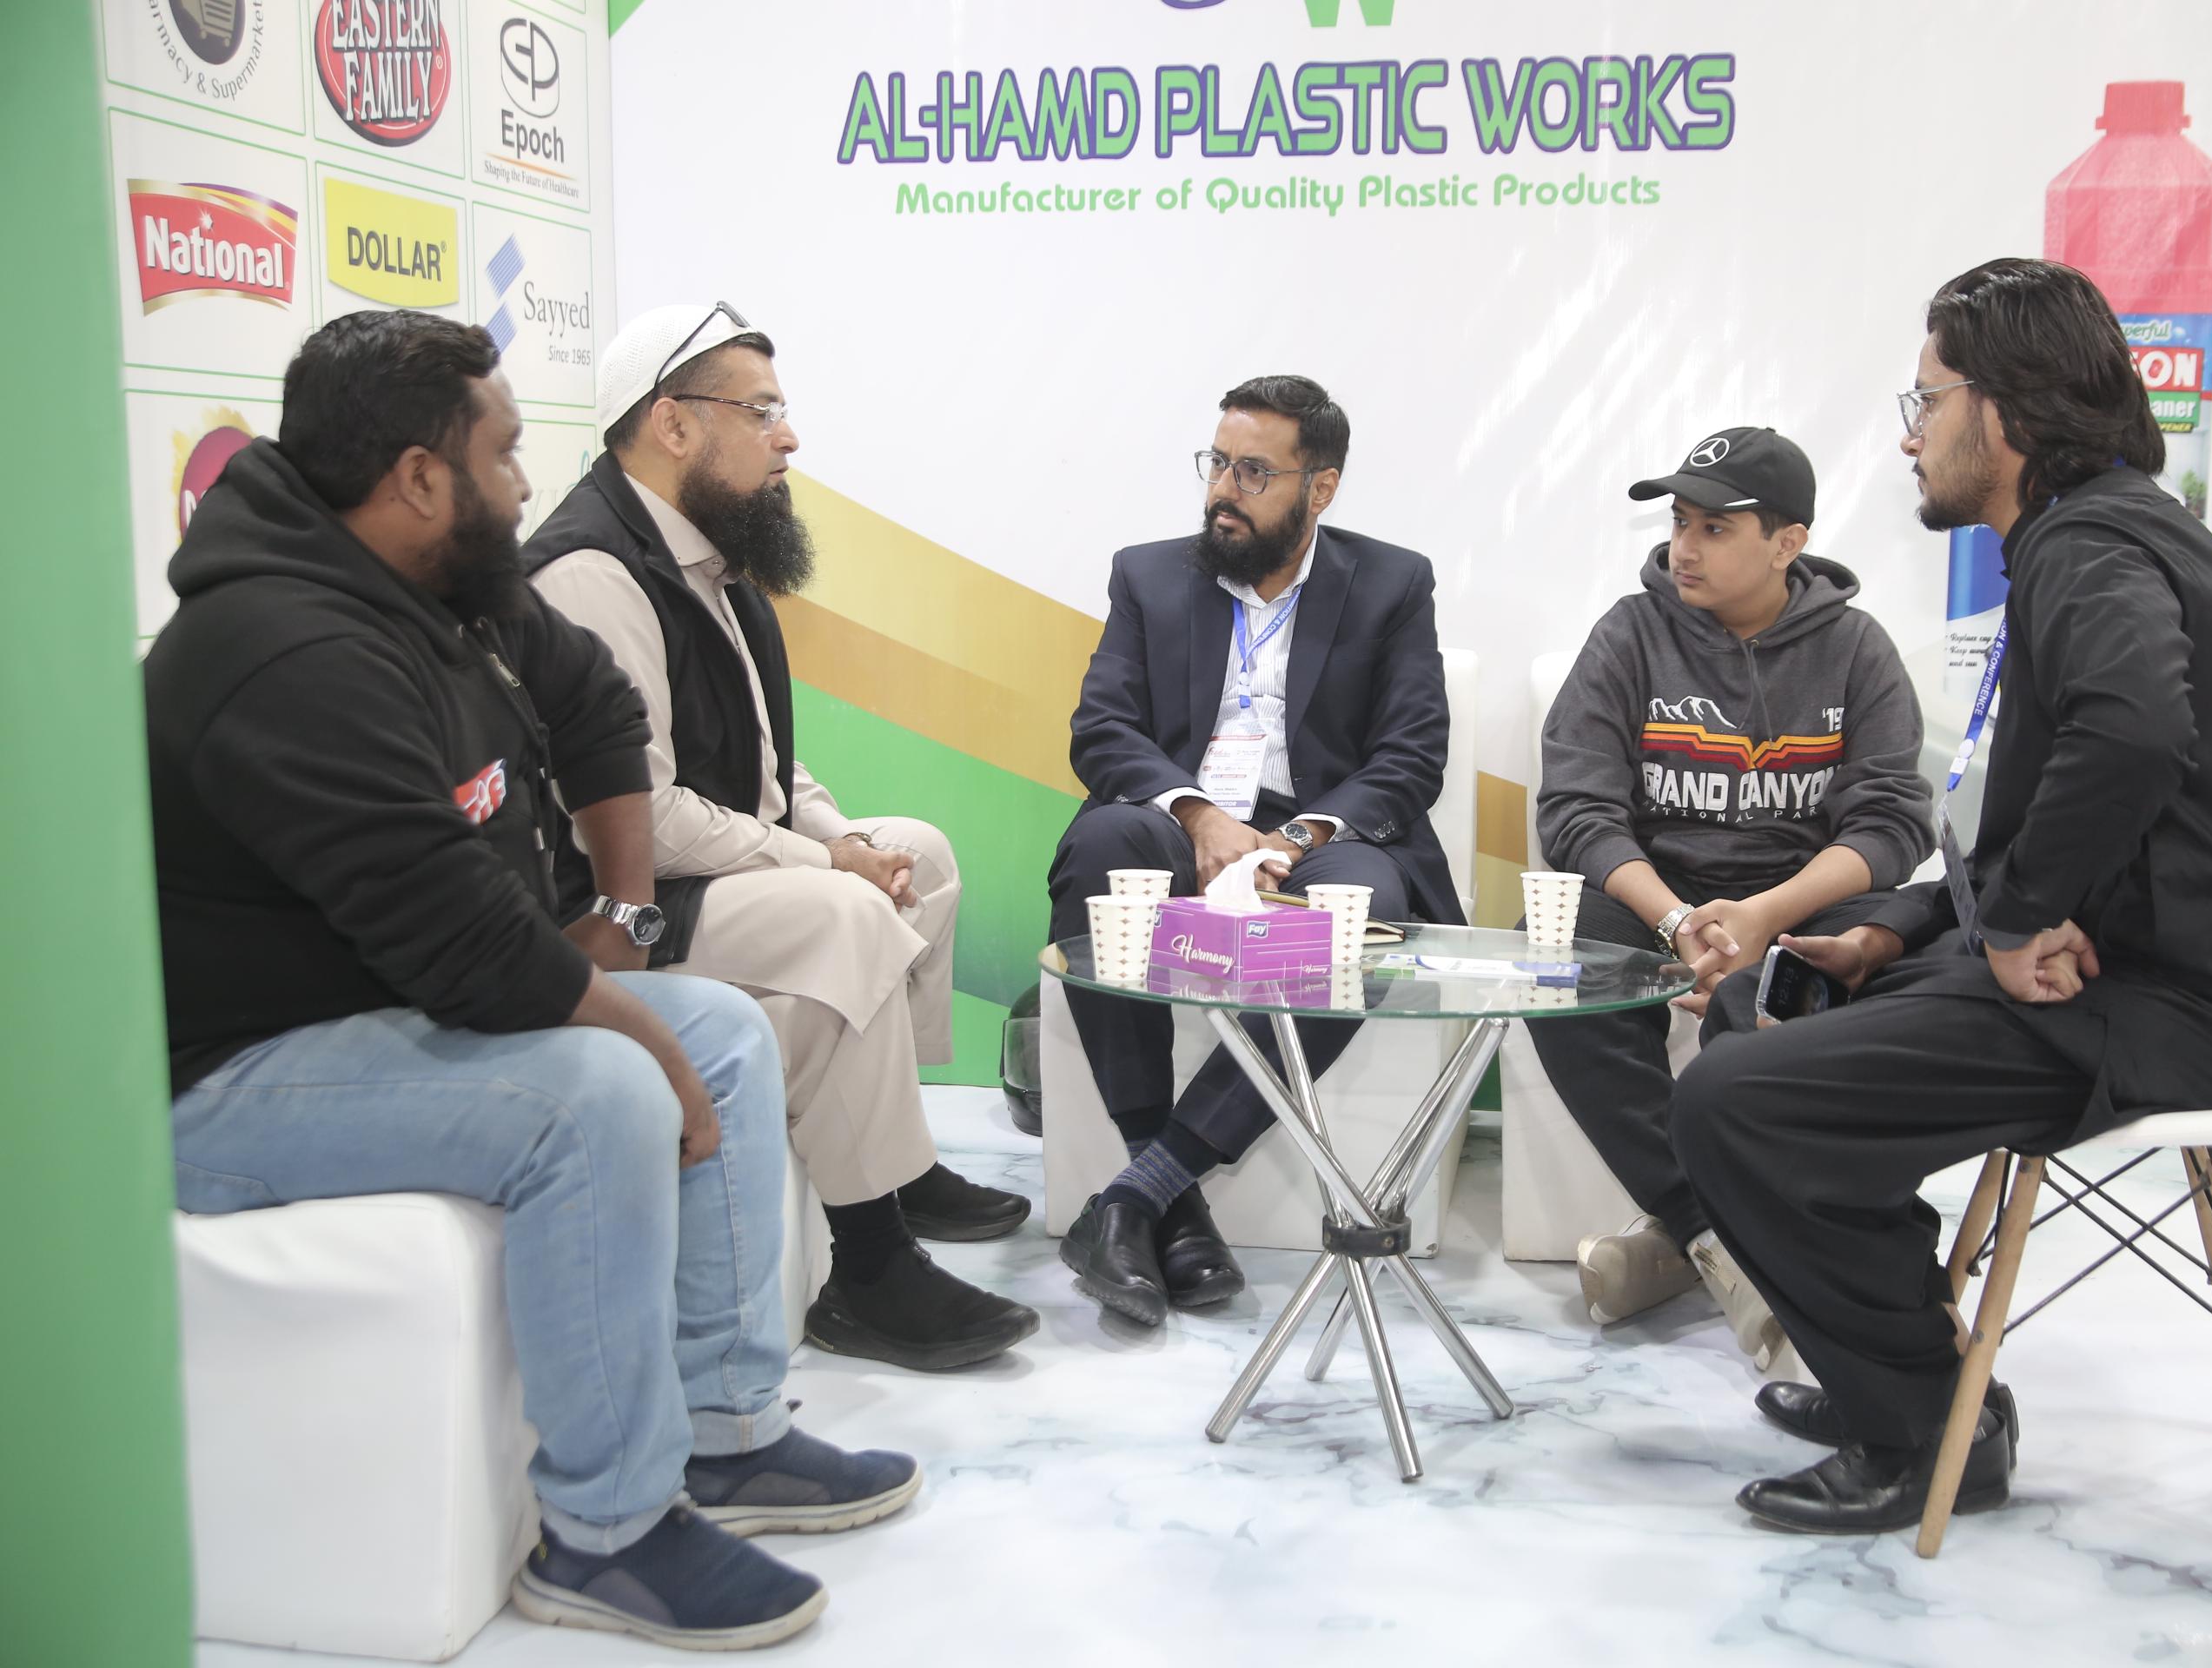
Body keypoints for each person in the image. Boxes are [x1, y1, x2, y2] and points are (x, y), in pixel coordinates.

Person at [149, 311, 917, 1651]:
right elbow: (460, 942)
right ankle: (606, 1536)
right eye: (502, 454)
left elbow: (598, 707)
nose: (524, 484)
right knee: (600, 1091)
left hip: (384, 1010)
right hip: (235, 1080)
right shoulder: (285, 651)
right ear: (418, 477)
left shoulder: (440, 583)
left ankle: (728, 1437)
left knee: (721, 1030)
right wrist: (642, 1050)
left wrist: (622, 916)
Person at [1671, 258, 2212, 1534]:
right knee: (1771, 1005)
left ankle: (1926, 1434)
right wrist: (1898, 926)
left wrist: (2013, 927)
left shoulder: (2089, 544)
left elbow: (2134, 733)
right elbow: (2037, 823)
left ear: (2005, 408)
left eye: (1927, 402)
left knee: (1731, 1101)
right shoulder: (2105, 532)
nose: (1911, 437)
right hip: (2135, 969)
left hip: (2163, 1007)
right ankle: (1912, 1377)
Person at [527, 304, 1037, 1373]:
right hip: (619, 907)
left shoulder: (710, 561)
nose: (788, 439)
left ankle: (900, 1164)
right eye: (760, 413)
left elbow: (769, 769)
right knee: (841, 910)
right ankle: (871, 1266)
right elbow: (642, 815)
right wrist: (826, 864)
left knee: (918, 856)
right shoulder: (592, 574)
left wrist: (847, 839)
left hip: (715, 875)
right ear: (673, 423)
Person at [1050, 374, 1464, 1327]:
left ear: (1320, 489)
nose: (1222, 492)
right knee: (1105, 845)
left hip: (1319, 829)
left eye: (1253, 473)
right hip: (1182, 812)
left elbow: (1411, 755)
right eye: (1217, 464)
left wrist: (1294, 837)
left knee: (1361, 912)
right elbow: (1102, 730)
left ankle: (1137, 1197)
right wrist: (1201, 817)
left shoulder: (1393, 583)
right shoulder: (1148, 574)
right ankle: (1169, 1197)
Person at [1529, 427, 1933, 1366]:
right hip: (1655, 898)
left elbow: (1889, 827)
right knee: (1556, 951)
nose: (1685, 547)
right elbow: (1577, 811)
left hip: (1798, 904)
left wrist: (1765, 919)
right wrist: (1676, 920)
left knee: (1880, 955)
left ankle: (1678, 1250)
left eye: (1715, 527)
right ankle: (1714, 1236)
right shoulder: (1631, 633)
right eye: (1679, 522)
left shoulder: (1856, 649)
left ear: (1788, 543)